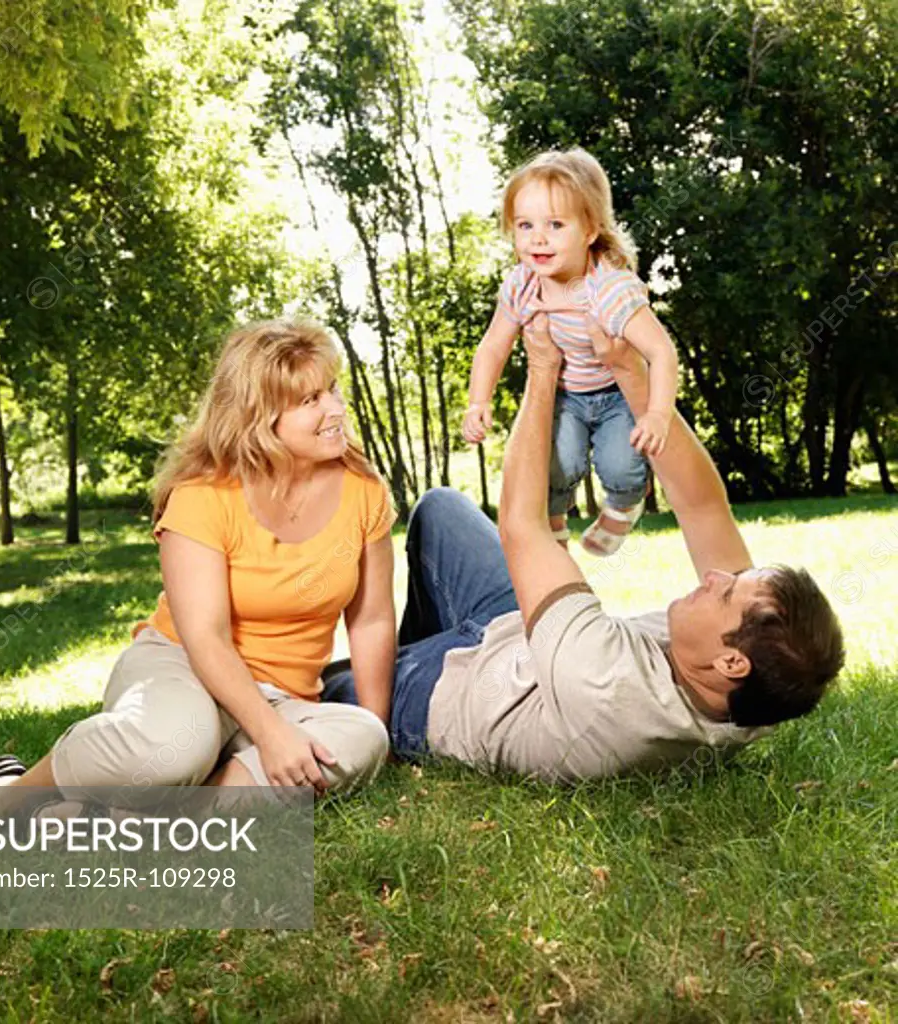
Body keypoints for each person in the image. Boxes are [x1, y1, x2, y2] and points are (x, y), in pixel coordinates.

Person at [0, 320, 395, 825]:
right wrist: (271, 734)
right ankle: (3, 796)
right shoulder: (203, 495)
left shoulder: (363, 489)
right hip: (183, 668)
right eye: (310, 400)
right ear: (259, 418)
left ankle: (160, 818)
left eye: (331, 389)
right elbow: (206, 638)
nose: (334, 409)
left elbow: (370, 620)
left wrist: (378, 735)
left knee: (362, 735)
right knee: (178, 748)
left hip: (284, 694)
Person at [331, 313, 844, 782]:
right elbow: (704, 506)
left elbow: (522, 524)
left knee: (318, 690)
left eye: (727, 593)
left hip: (446, 699)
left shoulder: (608, 688)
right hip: (520, 638)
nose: (715, 577)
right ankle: (406, 652)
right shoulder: (761, 689)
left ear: (731, 662)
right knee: (442, 510)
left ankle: (403, 672)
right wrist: (632, 374)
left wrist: (542, 370)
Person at [462, 148, 679, 555]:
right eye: (525, 225)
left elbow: (662, 352)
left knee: (622, 465)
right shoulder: (521, 285)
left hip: (614, 396)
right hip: (565, 396)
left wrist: (657, 414)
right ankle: (554, 525)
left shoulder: (609, 288)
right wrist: (478, 401)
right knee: (555, 465)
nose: (537, 238)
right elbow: (493, 344)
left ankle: (626, 503)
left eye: (555, 225)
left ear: (590, 230)